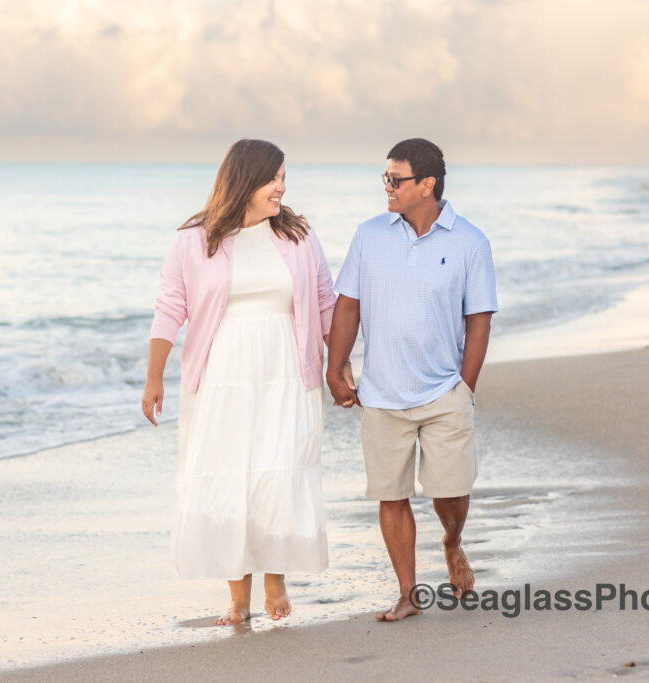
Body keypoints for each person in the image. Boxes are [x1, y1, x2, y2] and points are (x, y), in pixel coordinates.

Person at [142, 139, 349, 625]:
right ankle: (237, 596)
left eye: (283, 177)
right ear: (245, 180)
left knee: (278, 467)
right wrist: (155, 377)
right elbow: (171, 306)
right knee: (230, 470)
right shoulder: (194, 239)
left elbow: (325, 300)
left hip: (285, 366)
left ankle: (275, 579)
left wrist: (337, 365)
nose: (282, 186)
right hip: (222, 374)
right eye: (273, 177)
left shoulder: (298, 236)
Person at [326, 138, 498, 622]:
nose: (387, 187)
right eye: (385, 177)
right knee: (391, 494)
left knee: (450, 490)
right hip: (381, 394)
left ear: (427, 185)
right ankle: (408, 592)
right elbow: (348, 305)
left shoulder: (470, 242)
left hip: (445, 390)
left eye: (395, 179)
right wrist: (335, 367)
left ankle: (452, 540)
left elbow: (479, 320)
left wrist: (465, 387)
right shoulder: (369, 235)